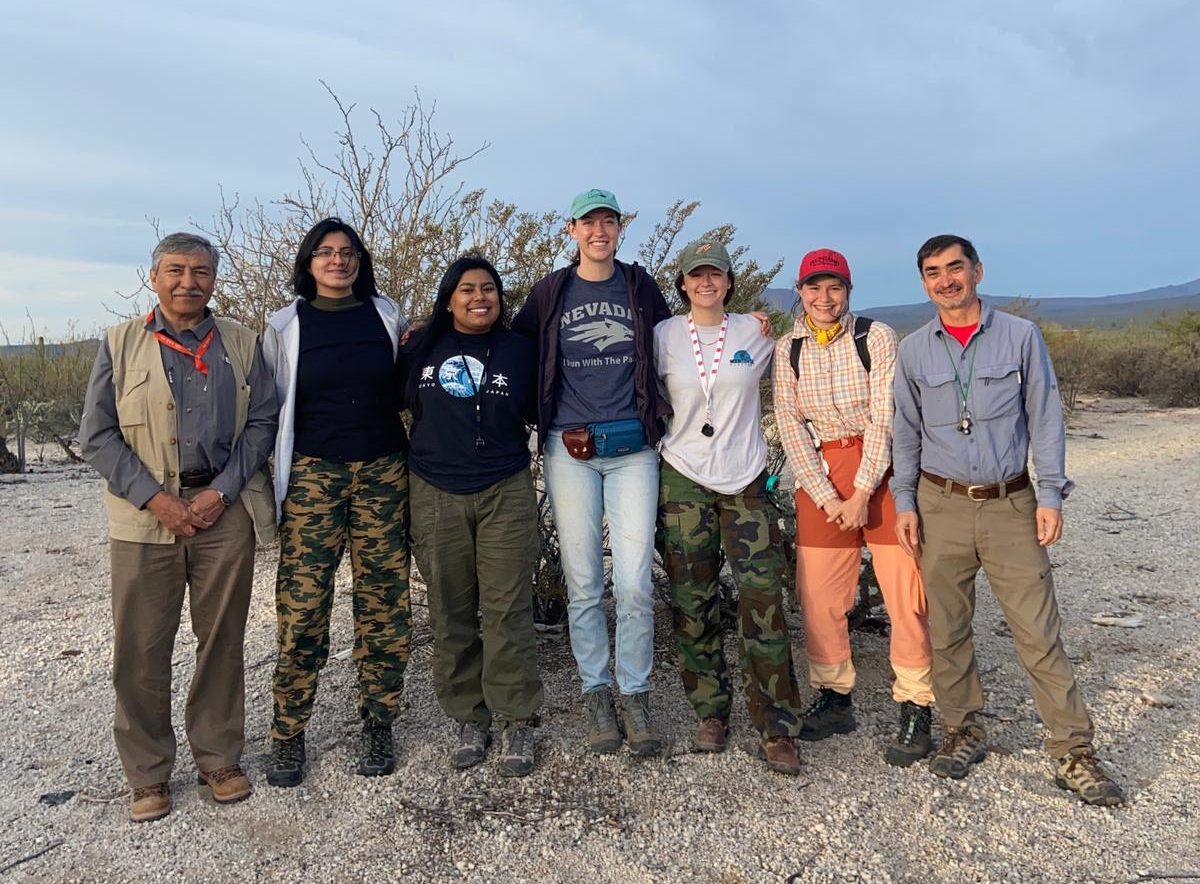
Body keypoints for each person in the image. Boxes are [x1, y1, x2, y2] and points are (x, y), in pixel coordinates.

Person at [891, 234, 1124, 805]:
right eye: (932, 272)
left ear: (976, 270)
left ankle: (1072, 750)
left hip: (1010, 504)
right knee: (948, 629)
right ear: (923, 283)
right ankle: (963, 730)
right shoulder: (915, 350)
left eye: (954, 268)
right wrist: (903, 502)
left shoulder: (1021, 337)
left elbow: (1045, 417)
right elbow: (905, 431)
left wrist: (1050, 495)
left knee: (1038, 631)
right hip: (939, 504)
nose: (945, 280)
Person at [80, 232, 278, 822]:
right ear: (154, 277)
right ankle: (147, 775)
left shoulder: (242, 343)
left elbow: (263, 421)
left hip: (222, 513)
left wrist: (223, 491)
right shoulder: (119, 344)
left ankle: (219, 758)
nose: (187, 282)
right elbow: (97, 435)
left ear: (214, 279)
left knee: (221, 642)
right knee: (140, 648)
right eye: (175, 270)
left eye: (199, 272)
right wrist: (154, 500)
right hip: (145, 521)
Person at [512, 188, 670, 756]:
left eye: (609, 221)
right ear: (571, 230)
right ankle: (596, 691)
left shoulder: (638, 285)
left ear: (620, 228)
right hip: (568, 447)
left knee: (632, 582)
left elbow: (675, 340)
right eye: (589, 222)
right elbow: (515, 347)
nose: (599, 231)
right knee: (583, 583)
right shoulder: (551, 291)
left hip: (633, 448)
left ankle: (635, 693)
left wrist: (745, 326)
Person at [262, 217, 411, 787]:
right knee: (302, 608)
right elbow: (269, 408)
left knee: (383, 603)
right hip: (312, 477)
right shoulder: (283, 325)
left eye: (347, 252)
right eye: (325, 253)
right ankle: (288, 732)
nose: (337, 261)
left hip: (381, 472)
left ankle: (378, 720)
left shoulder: (385, 314)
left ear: (359, 260)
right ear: (308, 263)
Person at [773, 248, 935, 766]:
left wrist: (863, 491)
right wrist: (827, 496)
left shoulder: (876, 337)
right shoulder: (788, 349)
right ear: (800, 292)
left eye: (834, 287)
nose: (824, 298)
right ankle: (834, 694)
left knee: (904, 589)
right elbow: (790, 426)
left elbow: (887, 416)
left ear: (848, 290)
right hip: (821, 472)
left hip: (883, 473)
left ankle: (916, 702)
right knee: (818, 593)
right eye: (814, 288)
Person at [655, 239, 804, 774]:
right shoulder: (665, 336)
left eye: (714, 274)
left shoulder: (754, 332)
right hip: (683, 477)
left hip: (745, 480)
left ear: (729, 282)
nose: (705, 283)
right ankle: (710, 710)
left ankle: (777, 725)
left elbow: (803, 345)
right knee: (693, 599)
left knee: (761, 597)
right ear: (682, 284)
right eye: (696, 275)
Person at [400, 256, 543, 777]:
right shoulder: (419, 348)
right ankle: (468, 715)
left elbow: (542, 405)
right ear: (447, 298)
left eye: (488, 288)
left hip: (504, 487)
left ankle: (516, 717)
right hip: (435, 490)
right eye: (466, 289)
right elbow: (392, 402)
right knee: (450, 608)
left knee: (507, 608)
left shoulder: (518, 351)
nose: (479, 297)